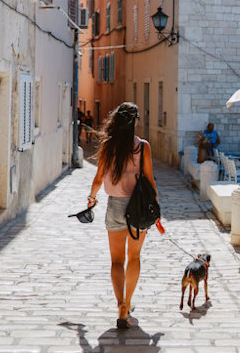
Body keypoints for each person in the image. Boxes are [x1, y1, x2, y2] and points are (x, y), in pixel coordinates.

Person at [88, 102, 157, 329]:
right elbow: (149, 180)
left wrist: (92, 197)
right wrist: (154, 209)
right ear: (134, 121)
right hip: (137, 209)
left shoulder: (109, 146)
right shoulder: (143, 147)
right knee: (134, 258)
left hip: (115, 206)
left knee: (116, 260)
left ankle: (120, 305)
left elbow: (99, 177)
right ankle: (127, 302)